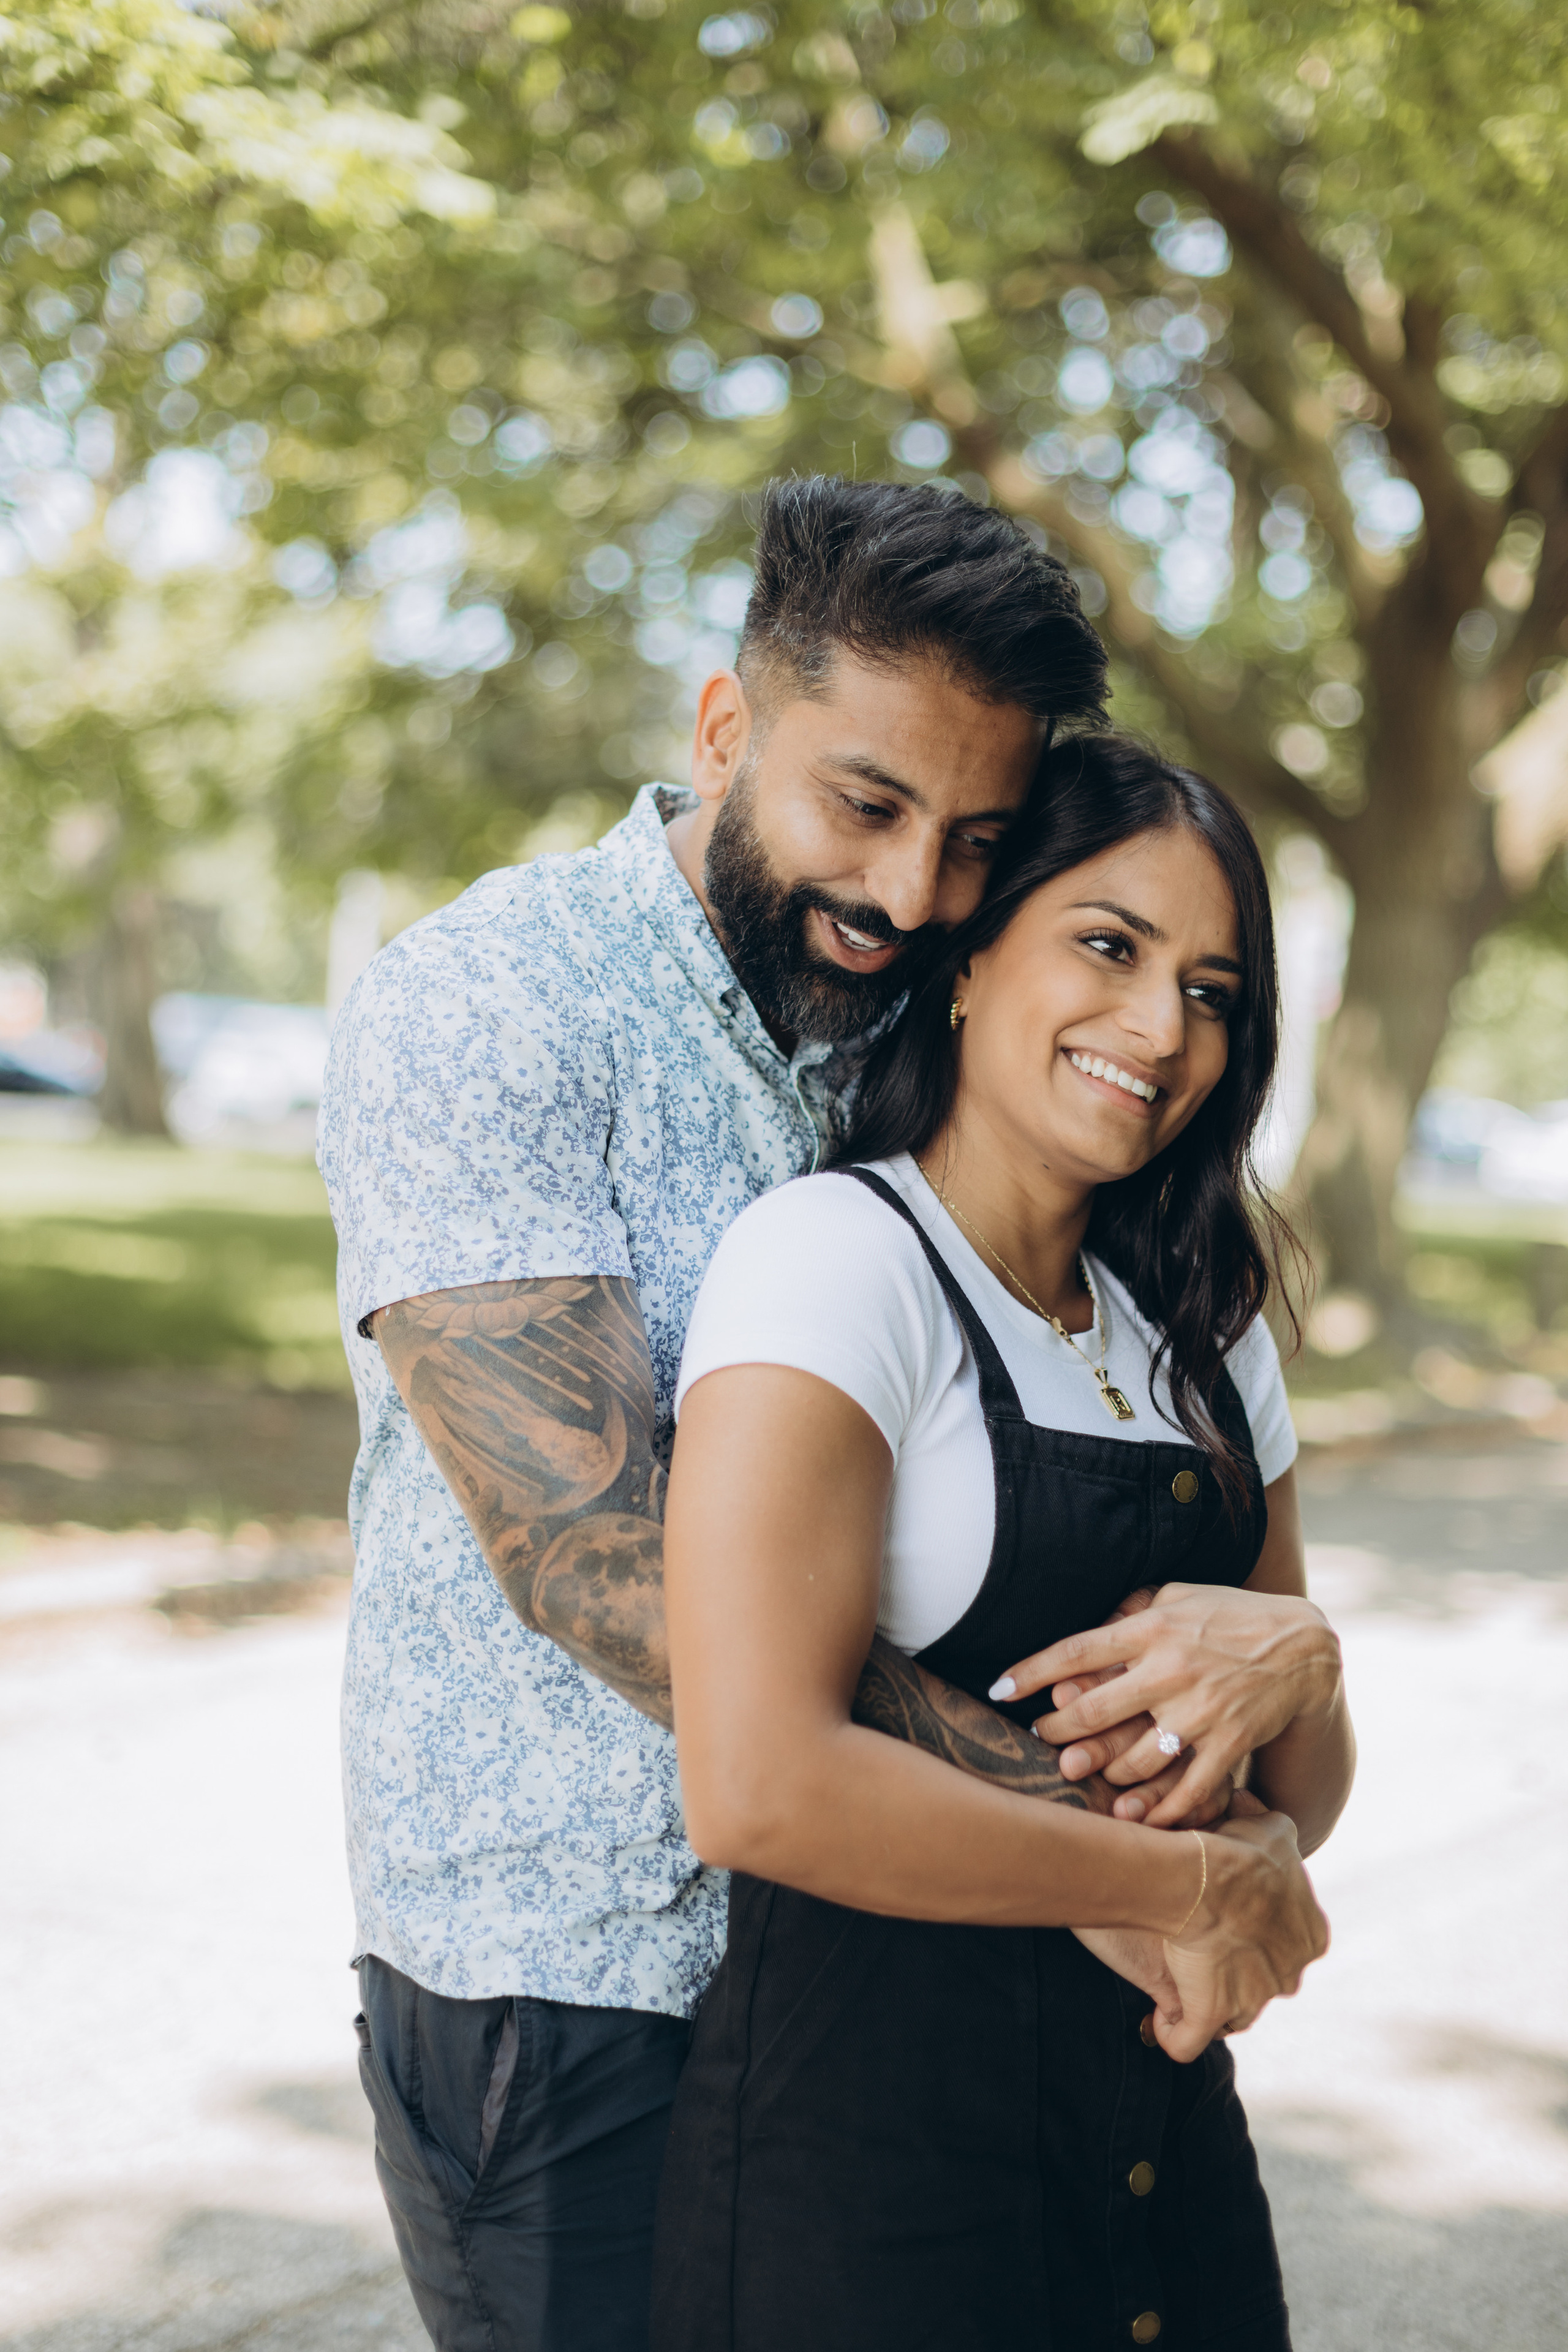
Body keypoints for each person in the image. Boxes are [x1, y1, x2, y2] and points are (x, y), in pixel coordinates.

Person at [317, 476, 1118, 2352]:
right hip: (568, 1982)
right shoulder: (488, 1006)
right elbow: (592, 1556)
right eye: (869, 805)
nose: (913, 891)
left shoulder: (929, 1024)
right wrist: (1084, 1813)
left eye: (975, 837)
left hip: (877, 1946)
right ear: (726, 725)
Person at [651, 736, 1354, 2352]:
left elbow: (1298, 1798)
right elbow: (758, 1780)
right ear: (969, 967)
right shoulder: (838, 1265)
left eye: (1215, 988)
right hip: (866, 2197)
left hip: (1160, 2167)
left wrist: (1301, 1658)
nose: (1161, 1026)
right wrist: (1179, 1877)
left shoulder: (1203, 1327)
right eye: (1107, 947)